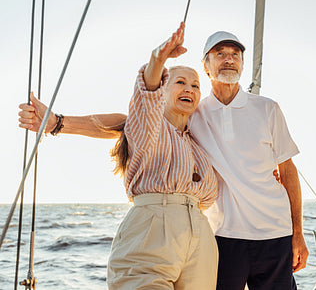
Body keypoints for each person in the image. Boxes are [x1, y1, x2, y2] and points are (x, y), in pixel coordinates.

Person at [19, 29, 308, 290]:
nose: (228, 60)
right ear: (206, 67)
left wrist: (296, 230)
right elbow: (128, 119)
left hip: (240, 238)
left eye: (235, 55)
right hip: (193, 236)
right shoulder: (173, 118)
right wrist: (56, 122)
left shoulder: (243, 115)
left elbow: (286, 170)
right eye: (219, 54)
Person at [20, 23, 219, 289]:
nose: (190, 89)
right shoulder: (147, 125)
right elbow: (144, 98)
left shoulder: (200, 142)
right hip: (153, 230)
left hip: (200, 239)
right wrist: (157, 59)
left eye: (195, 85)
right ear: (164, 89)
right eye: (180, 82)